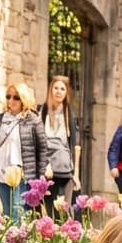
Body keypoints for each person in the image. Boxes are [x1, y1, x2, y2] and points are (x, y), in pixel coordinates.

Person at [0, 83, 48, 219]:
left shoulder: (33, 120)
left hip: (22, 175)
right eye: (8, 96)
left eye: (16, 97)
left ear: (23, 99)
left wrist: (40, 176)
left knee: (17, 213)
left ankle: (19, 233)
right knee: (8, 213)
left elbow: (43, 149)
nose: (11, 100)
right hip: (2, 173)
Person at [39, 75, 81, 212]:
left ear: (66, 92)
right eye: (56, 88)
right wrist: (43, 165)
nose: (58, 91)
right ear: (50, 90)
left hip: (64, 167)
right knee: (47, 209)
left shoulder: (69, 114)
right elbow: (38, 141)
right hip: (46, 167)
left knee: (63, 210)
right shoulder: (42, 111)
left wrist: (76, 174)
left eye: (62, 89)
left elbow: (75, 146)